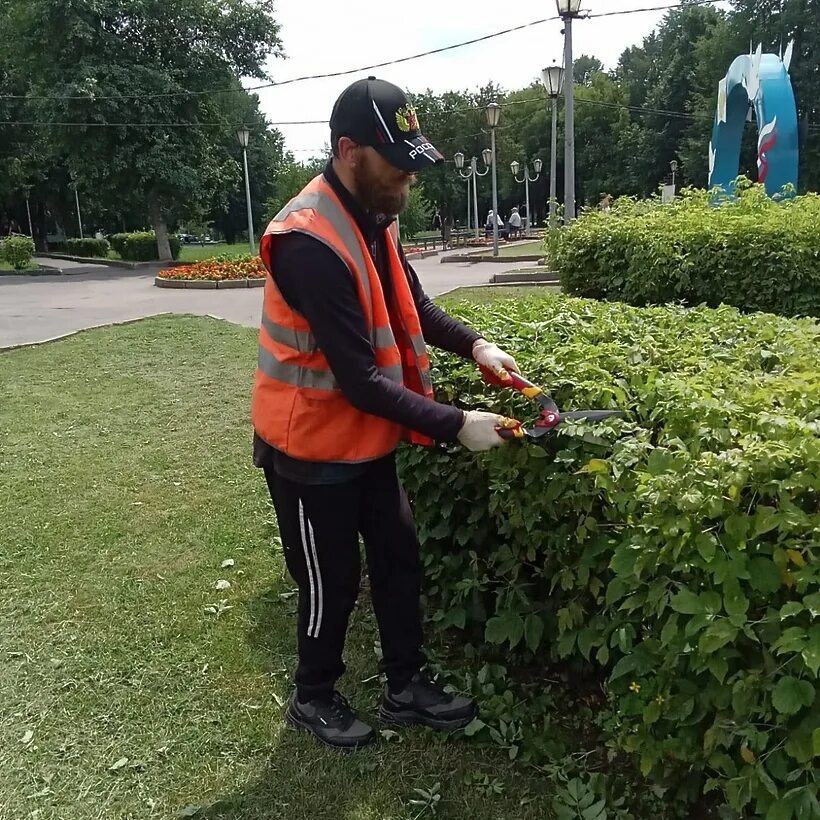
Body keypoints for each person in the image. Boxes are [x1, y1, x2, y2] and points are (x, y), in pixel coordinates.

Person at [251, 76, 520, 751]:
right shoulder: (306, 241)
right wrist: (458, 424)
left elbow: (414, 309)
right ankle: (313, 696)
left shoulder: (377, 217)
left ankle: (406, 686)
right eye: (397, 164)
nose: (409, 180)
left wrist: (477, 346)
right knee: (330, 581)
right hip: (308, 452)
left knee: (400, 557)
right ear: (349, 151)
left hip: (364, 443)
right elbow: (362, 380)